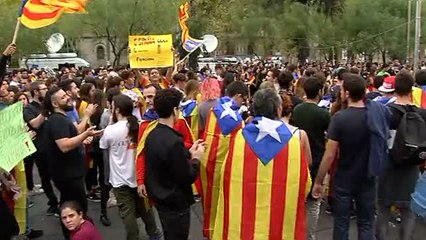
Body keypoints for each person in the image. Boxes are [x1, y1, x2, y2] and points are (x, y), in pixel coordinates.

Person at [212, 88, 311, 240]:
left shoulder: (240, 137)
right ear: (279, 110)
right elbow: (304, 182)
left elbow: (226, 175)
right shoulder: (292, 142)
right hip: (278, 218)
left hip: (245, 219)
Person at [312, 74, 388, 240]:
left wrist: (319, 180)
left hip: (345, 177)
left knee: (341, 222)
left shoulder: (340, 118)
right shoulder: (376, 114)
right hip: (368, 175)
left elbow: (329, 154)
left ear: (346, 93)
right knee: (366, 222)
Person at [144, 88, 205, 240]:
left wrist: (188, 152)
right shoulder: (173, 141)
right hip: (175, 203)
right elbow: (187, 176)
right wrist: (196, 158)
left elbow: (166, 162)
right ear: (174, 110)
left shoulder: (152, 135)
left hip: (161, 199)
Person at [44, 86, 103, 239]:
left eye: (67, 95)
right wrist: (85, 135)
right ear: (55, 104)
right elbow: (64, 145)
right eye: (63, 97)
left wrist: (84, 131)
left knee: (70, 207)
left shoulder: (61, 118)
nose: (68, 98)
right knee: (78, 209)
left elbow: (74, 133)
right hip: (68, 175)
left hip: (70, 174)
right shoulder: (57, 120)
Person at [99, 94, 161, 240]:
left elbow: (103, 145)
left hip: (120, 179)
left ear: (117, 110)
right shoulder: (139, 126)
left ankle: (133, 238)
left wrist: (109, 124)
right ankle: (154, 233)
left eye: (112, 107)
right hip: (139, 177)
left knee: (127, 213)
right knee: (145, 208)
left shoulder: (111, 130)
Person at [376, 71, 426, 240]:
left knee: (383, 207)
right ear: (412, 90)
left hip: (387, 165)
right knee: (408, 211)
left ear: (394, 89)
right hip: (411, 167)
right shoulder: (422, 114)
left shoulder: (384, 112)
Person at [199, 80, 248, 238]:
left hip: (207, 163)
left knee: (209, 202)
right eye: (243, 99)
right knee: (223, 204)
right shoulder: (236, 119)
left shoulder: (213, 109)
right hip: (224, 168)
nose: (243, 103)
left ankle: (210, 230)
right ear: (238, 96)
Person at [292, 76, 330, 240]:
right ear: (320, 92)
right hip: (317, 159)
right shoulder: (323, 114)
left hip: (297, 158)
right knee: (314, 202)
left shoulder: (297, 109)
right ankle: (309, 235)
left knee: (297, 199)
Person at [23, 81, 59, 216]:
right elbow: (35, 124)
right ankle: (53, 202)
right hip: (41, 148)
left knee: (57, 174)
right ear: (36, 92)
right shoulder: (28, 109)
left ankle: (60, 202)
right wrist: (45, 111)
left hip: (54, 145)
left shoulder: (49, 105)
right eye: (43, 89)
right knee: (45, 177)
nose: (46, 90)